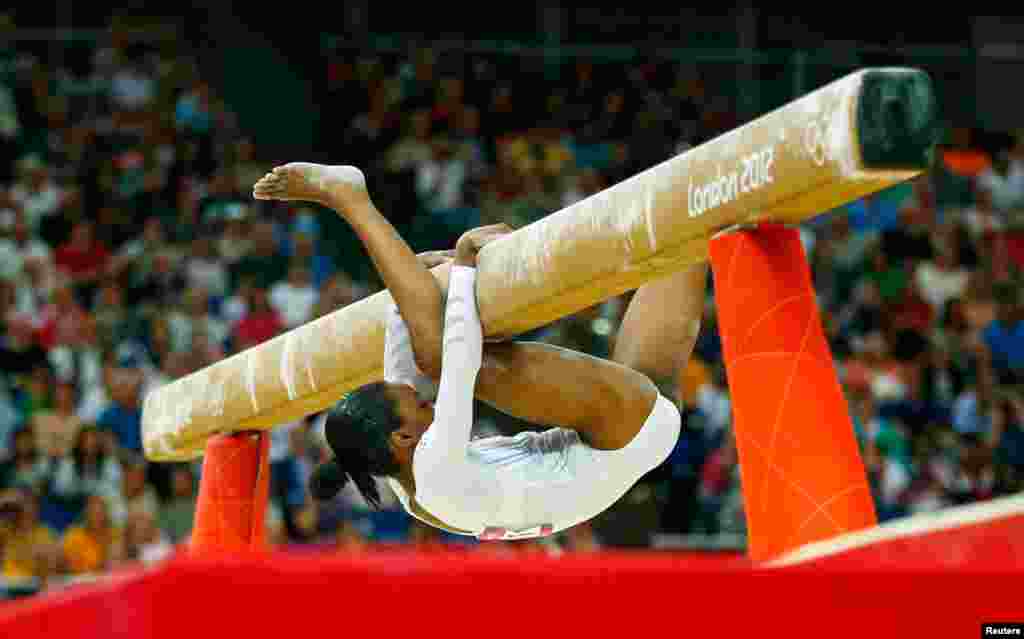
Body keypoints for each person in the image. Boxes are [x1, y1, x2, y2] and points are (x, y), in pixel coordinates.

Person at [253, 163, 706, 541]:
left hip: (639, 428)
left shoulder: (398, 468)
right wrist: (464, 265)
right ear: (402, 438)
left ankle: (716, 189)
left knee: (689, 223)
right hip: (617, 433)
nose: (424, 399)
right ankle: (353, 201)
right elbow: (457, 361)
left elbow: (401, 372)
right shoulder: (434, 470)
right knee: (440, 356)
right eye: (419, 406)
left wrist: (403, 295)